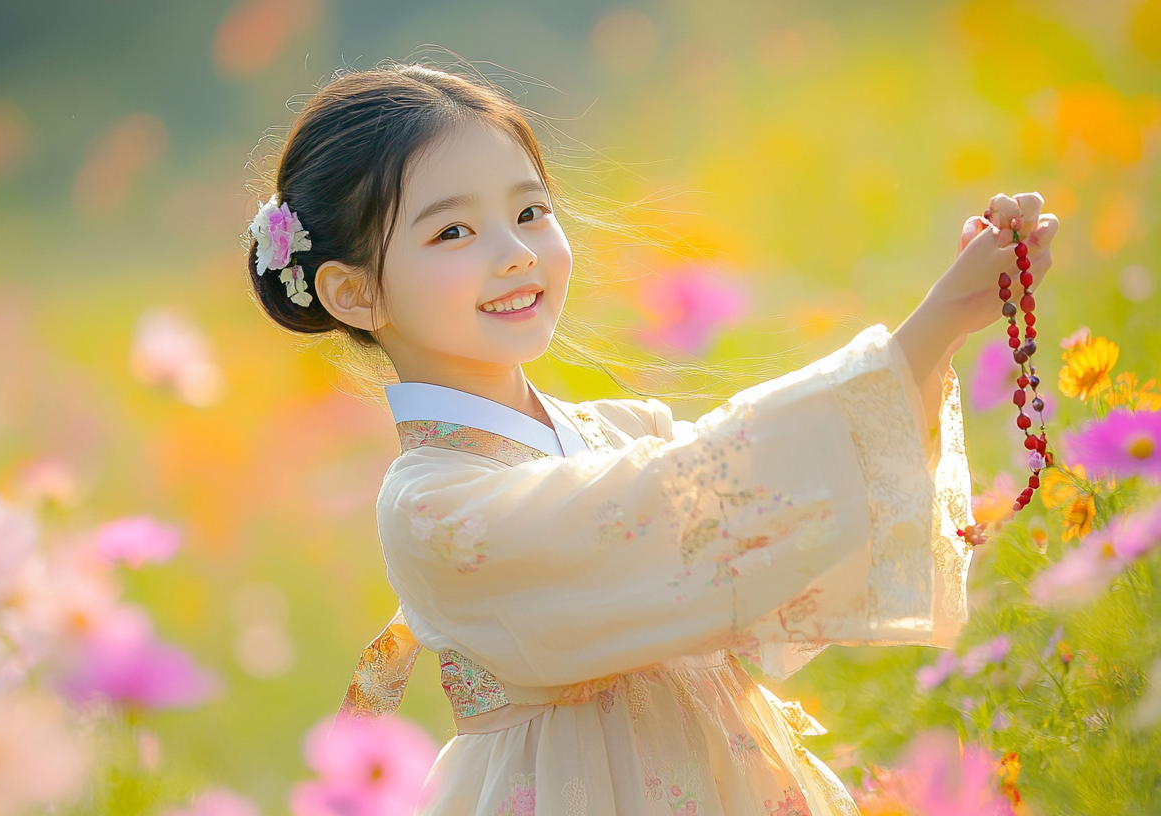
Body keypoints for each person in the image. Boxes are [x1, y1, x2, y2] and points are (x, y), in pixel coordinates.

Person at [243, 61, 1059, 815]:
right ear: (353, 293)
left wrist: (945, 333)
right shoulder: (432, 503)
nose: (518, 253)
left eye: (530, 211)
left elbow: (747, 519)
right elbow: (682, 510)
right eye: (453, 233)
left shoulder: (620, 431)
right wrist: (934, 322)